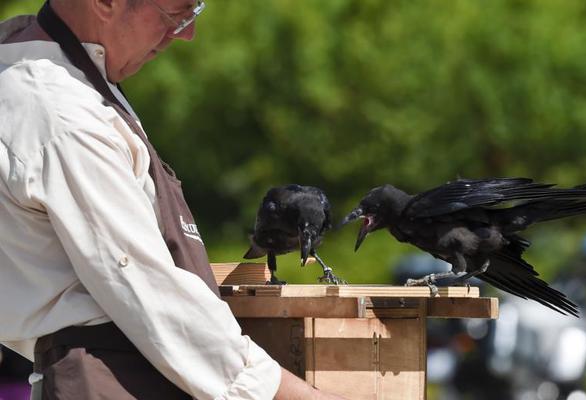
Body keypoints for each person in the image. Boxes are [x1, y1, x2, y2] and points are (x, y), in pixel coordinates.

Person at [0, 1, 347, 399]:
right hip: (112, 383)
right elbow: (153, 296)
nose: (186, 33)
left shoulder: (49, 68)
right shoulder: (60, 114)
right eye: (176, 13)